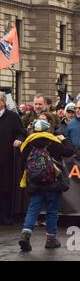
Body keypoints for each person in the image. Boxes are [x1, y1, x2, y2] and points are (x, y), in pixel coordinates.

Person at [18, 120, 74, 252]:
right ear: (48, 130)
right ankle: (51, 239)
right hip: (52, 183)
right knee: (52, 210)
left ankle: (26, 234)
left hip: (35, 184)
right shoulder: (53, 141)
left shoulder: (28, 143)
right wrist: (64, 139)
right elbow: (69, 152)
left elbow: (22, 165)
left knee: (33, 209)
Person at [0, 92, 26, 225]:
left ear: (2, 102)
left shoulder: (12, 116)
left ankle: (5, 216)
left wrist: (18, 139)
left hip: (6, 159)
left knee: (4, 188)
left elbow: (21, 132)